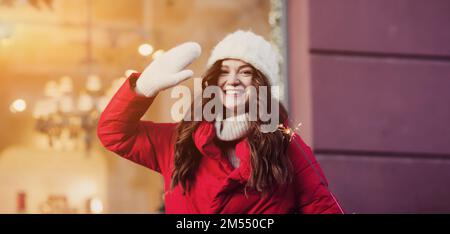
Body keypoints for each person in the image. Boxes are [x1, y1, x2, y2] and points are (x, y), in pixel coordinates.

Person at [97, 30, 344, 214]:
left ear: (262, 86)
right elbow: (114, 133)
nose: (232, 80)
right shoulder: (180, 142)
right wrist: (141, 89)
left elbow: (322, 208)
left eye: (246, 72)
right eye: (224, 71)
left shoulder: (286, 146)